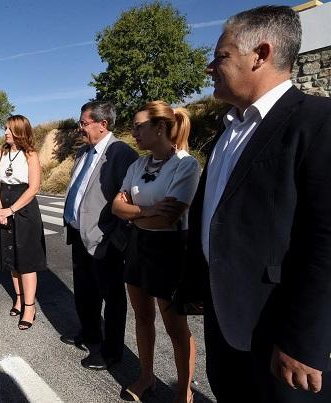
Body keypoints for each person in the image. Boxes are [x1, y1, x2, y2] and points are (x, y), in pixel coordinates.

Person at [179, 6, 331, 402]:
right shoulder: (226, 134)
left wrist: (305, 341)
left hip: (280, 335)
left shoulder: (317, 123)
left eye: (221, 56)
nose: (209, 68)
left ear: (260, 55)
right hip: (226, 322)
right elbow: (217, 216)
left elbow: (325, 242)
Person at [112, 101, 200, 402]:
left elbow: (169, 217)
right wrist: (147, 210)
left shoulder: (185, 165)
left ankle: (184, 391)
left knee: (176, 327)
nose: (133, 132)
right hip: (138, 244)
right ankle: (146, 377)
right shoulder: (137, 165)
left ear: (159, 128)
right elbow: (116, 206)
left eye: (139, 126)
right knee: (142, 317)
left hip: (170, 248)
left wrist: (133, 211)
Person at [60, 101, 138, 370]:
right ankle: (90, 332)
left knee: (112, 298)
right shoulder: (84, 151)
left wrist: (116, 240)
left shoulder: (121, 154)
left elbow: (129, 201)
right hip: (79, 234)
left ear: (102, 124)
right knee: (84, 291)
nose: (79, 128)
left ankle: (112, 351)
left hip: (105, 239)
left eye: (84, 123)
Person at [0, 114, 47, 330]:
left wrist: (11, 210)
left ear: (20, 132)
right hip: (3, 205)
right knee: (11, 258)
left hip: (24, 209)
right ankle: (19, 298)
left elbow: (34, 188)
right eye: (5, 128)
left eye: (10, 129)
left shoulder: (31, 155)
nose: (5, 132)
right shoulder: (1, 153)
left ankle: (30, 307)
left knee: (26, 259)